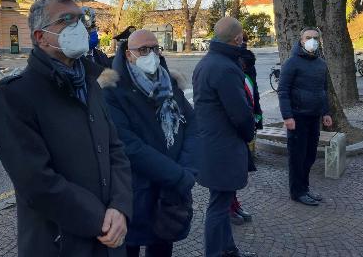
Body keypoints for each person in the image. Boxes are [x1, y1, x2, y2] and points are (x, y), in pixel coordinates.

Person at [0, 0, 133, 257]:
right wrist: (101, 219)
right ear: (40, 37)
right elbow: (36, 182)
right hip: (59, 245)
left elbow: (115, 150)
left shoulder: (91, 84)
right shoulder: (15, 96)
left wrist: (121, 206)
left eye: (80, 19)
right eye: (66, 20)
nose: (78, 27)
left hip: (110, 242)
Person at [103, 29, 198, 257]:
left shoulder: (170, 84)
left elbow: (193, 126)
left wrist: (187, 169)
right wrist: (177, 174)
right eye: (143, 50)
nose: (151, 54)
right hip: (134, 191)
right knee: (130, 248)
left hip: (169, 193)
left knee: (163, 246)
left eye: (155, 48)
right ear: (128, 54)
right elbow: (128, 145)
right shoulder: (113, 91)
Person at [192, 17, 257, 257]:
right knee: (218, 207)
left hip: (212, 144)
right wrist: (249, 133)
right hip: (224, 147)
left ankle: (228, 249)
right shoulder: (225, 67)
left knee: (221, 199)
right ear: (237, 39)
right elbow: (240, 113)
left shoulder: (208, 62)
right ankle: (215, 252)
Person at [278, 27, 332, 206]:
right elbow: (283, 90)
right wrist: (287, 116)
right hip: (297, 118)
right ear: (301, 40)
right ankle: (297, 192)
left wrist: (326, 112)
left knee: (309, 156)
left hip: (314, 117)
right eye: (308, 37)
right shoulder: (292, 63)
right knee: (297, 157)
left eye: (316, 38)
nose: (312, 41)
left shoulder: (321, 64)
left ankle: (305, 188)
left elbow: (324, 90)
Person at [229, 32, 263, 226]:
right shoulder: (225, 64)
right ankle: (229, 206)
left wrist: (257, 113)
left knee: (239, 168)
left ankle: (234, 203)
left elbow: (254, 89)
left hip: (246, 118)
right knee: (231, 170)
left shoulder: (248, 61)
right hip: (230, 128)